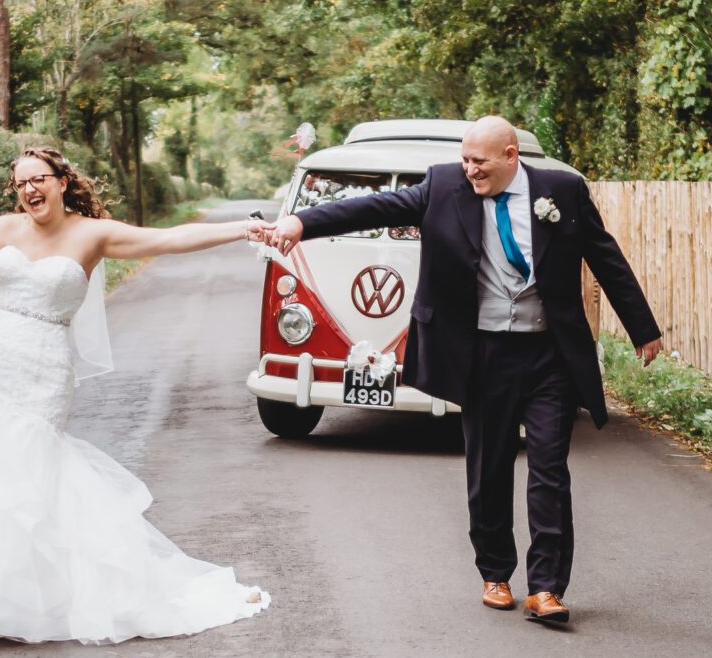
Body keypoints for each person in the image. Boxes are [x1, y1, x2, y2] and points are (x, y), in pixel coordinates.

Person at [0, 147, 270, 645]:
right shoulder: (1, 231)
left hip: (45, 367)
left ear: (62, 182)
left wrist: (242, 228)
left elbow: (168, 239)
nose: (29, 190)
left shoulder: (92, 234)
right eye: (20, 184)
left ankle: (20, 598)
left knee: (26, 471)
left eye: (38, 179)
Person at [252, 117, 662, 626]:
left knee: (550, 470)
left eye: (480, 162)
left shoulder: (562, 191)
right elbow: (375, 206)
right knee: (488, 468)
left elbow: (605, 256)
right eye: (465, 161)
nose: (469, 171)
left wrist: (643, 327)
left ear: (512, 156)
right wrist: (301, 223)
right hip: (485, 355)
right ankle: (495, 573)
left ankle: (547, 588)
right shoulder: (445, 185)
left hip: (548, 354)